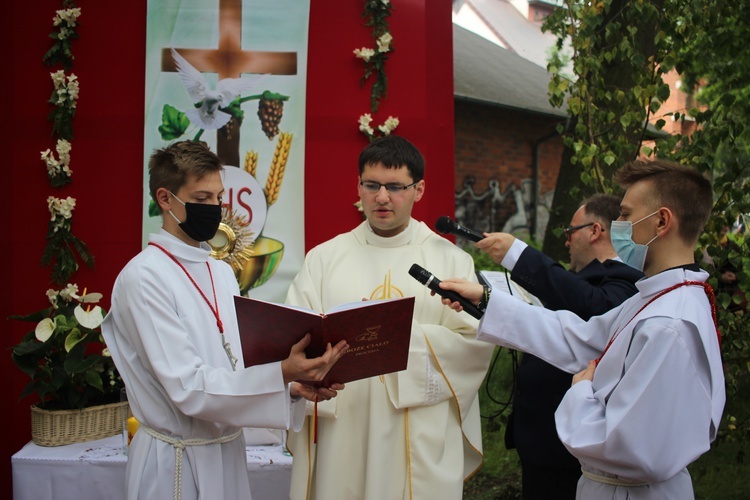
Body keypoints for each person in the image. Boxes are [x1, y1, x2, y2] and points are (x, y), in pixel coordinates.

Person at [441, 159, 725, 499]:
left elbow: (627, 447)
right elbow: (579, 336)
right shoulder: (658, 299)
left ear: (661, 221)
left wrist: (580, 392)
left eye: (624, 214)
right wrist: (487, 301)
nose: (616, 226)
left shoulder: (669, 325)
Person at [102, 140, 348, 500]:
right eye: (201, 199)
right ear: (166, 199)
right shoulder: (144, 277)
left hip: (226, 451)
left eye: (218, 198)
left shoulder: (220, 272)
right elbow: (187, 387)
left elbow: (231, 367)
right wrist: (281, 372)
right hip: (174, 464)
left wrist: (291, 389)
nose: (214, 209)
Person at [285, 135, 495, 499]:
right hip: (342, 427)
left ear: (419, 189)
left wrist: (397, 339)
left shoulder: (449, 260)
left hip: (416, 431)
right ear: (359, 187)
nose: (382, 197)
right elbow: (295, 339)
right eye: (372, 185)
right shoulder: (324, 258)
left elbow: (473, 344)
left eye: (395, 187)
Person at [477, 194, 643, 499]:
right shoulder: (579, 279)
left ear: (595, 231)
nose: (567, 241)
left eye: (571, 232)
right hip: (539, 434)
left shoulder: (627, 279)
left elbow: (593, 307)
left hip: (566, 443)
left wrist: (518, 254)